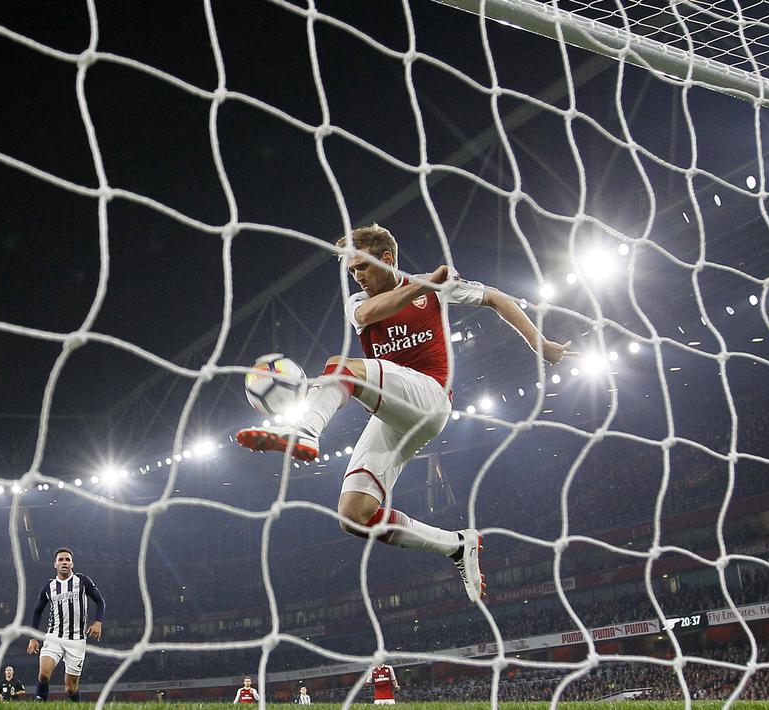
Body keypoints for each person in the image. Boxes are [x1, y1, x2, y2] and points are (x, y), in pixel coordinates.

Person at [236, 224, 573, 603]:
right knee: (354, 514)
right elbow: (371, 312)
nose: (356, 277)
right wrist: (426, 283)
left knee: (341, 365)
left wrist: (539, 343)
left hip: (431, 398)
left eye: (361, 267)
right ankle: (456, 546)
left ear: (387, 259)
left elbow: (496, 298)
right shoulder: (363, 301)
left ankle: (306, 430)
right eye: (351, 271)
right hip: (394, 412)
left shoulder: (433, 291)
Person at [27, 548, 105, 701]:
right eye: (61, 560)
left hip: (76, 640)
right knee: (43, 674)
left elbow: (100, 601)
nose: (64, 562)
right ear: (55, 565)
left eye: (67, 560)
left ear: (72, 564)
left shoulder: (82, 581)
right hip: (54, 636)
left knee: (70, 688)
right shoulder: (49, 587)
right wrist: (33, 638)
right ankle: (39, 704)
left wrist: (98, 622)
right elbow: (37, 612)